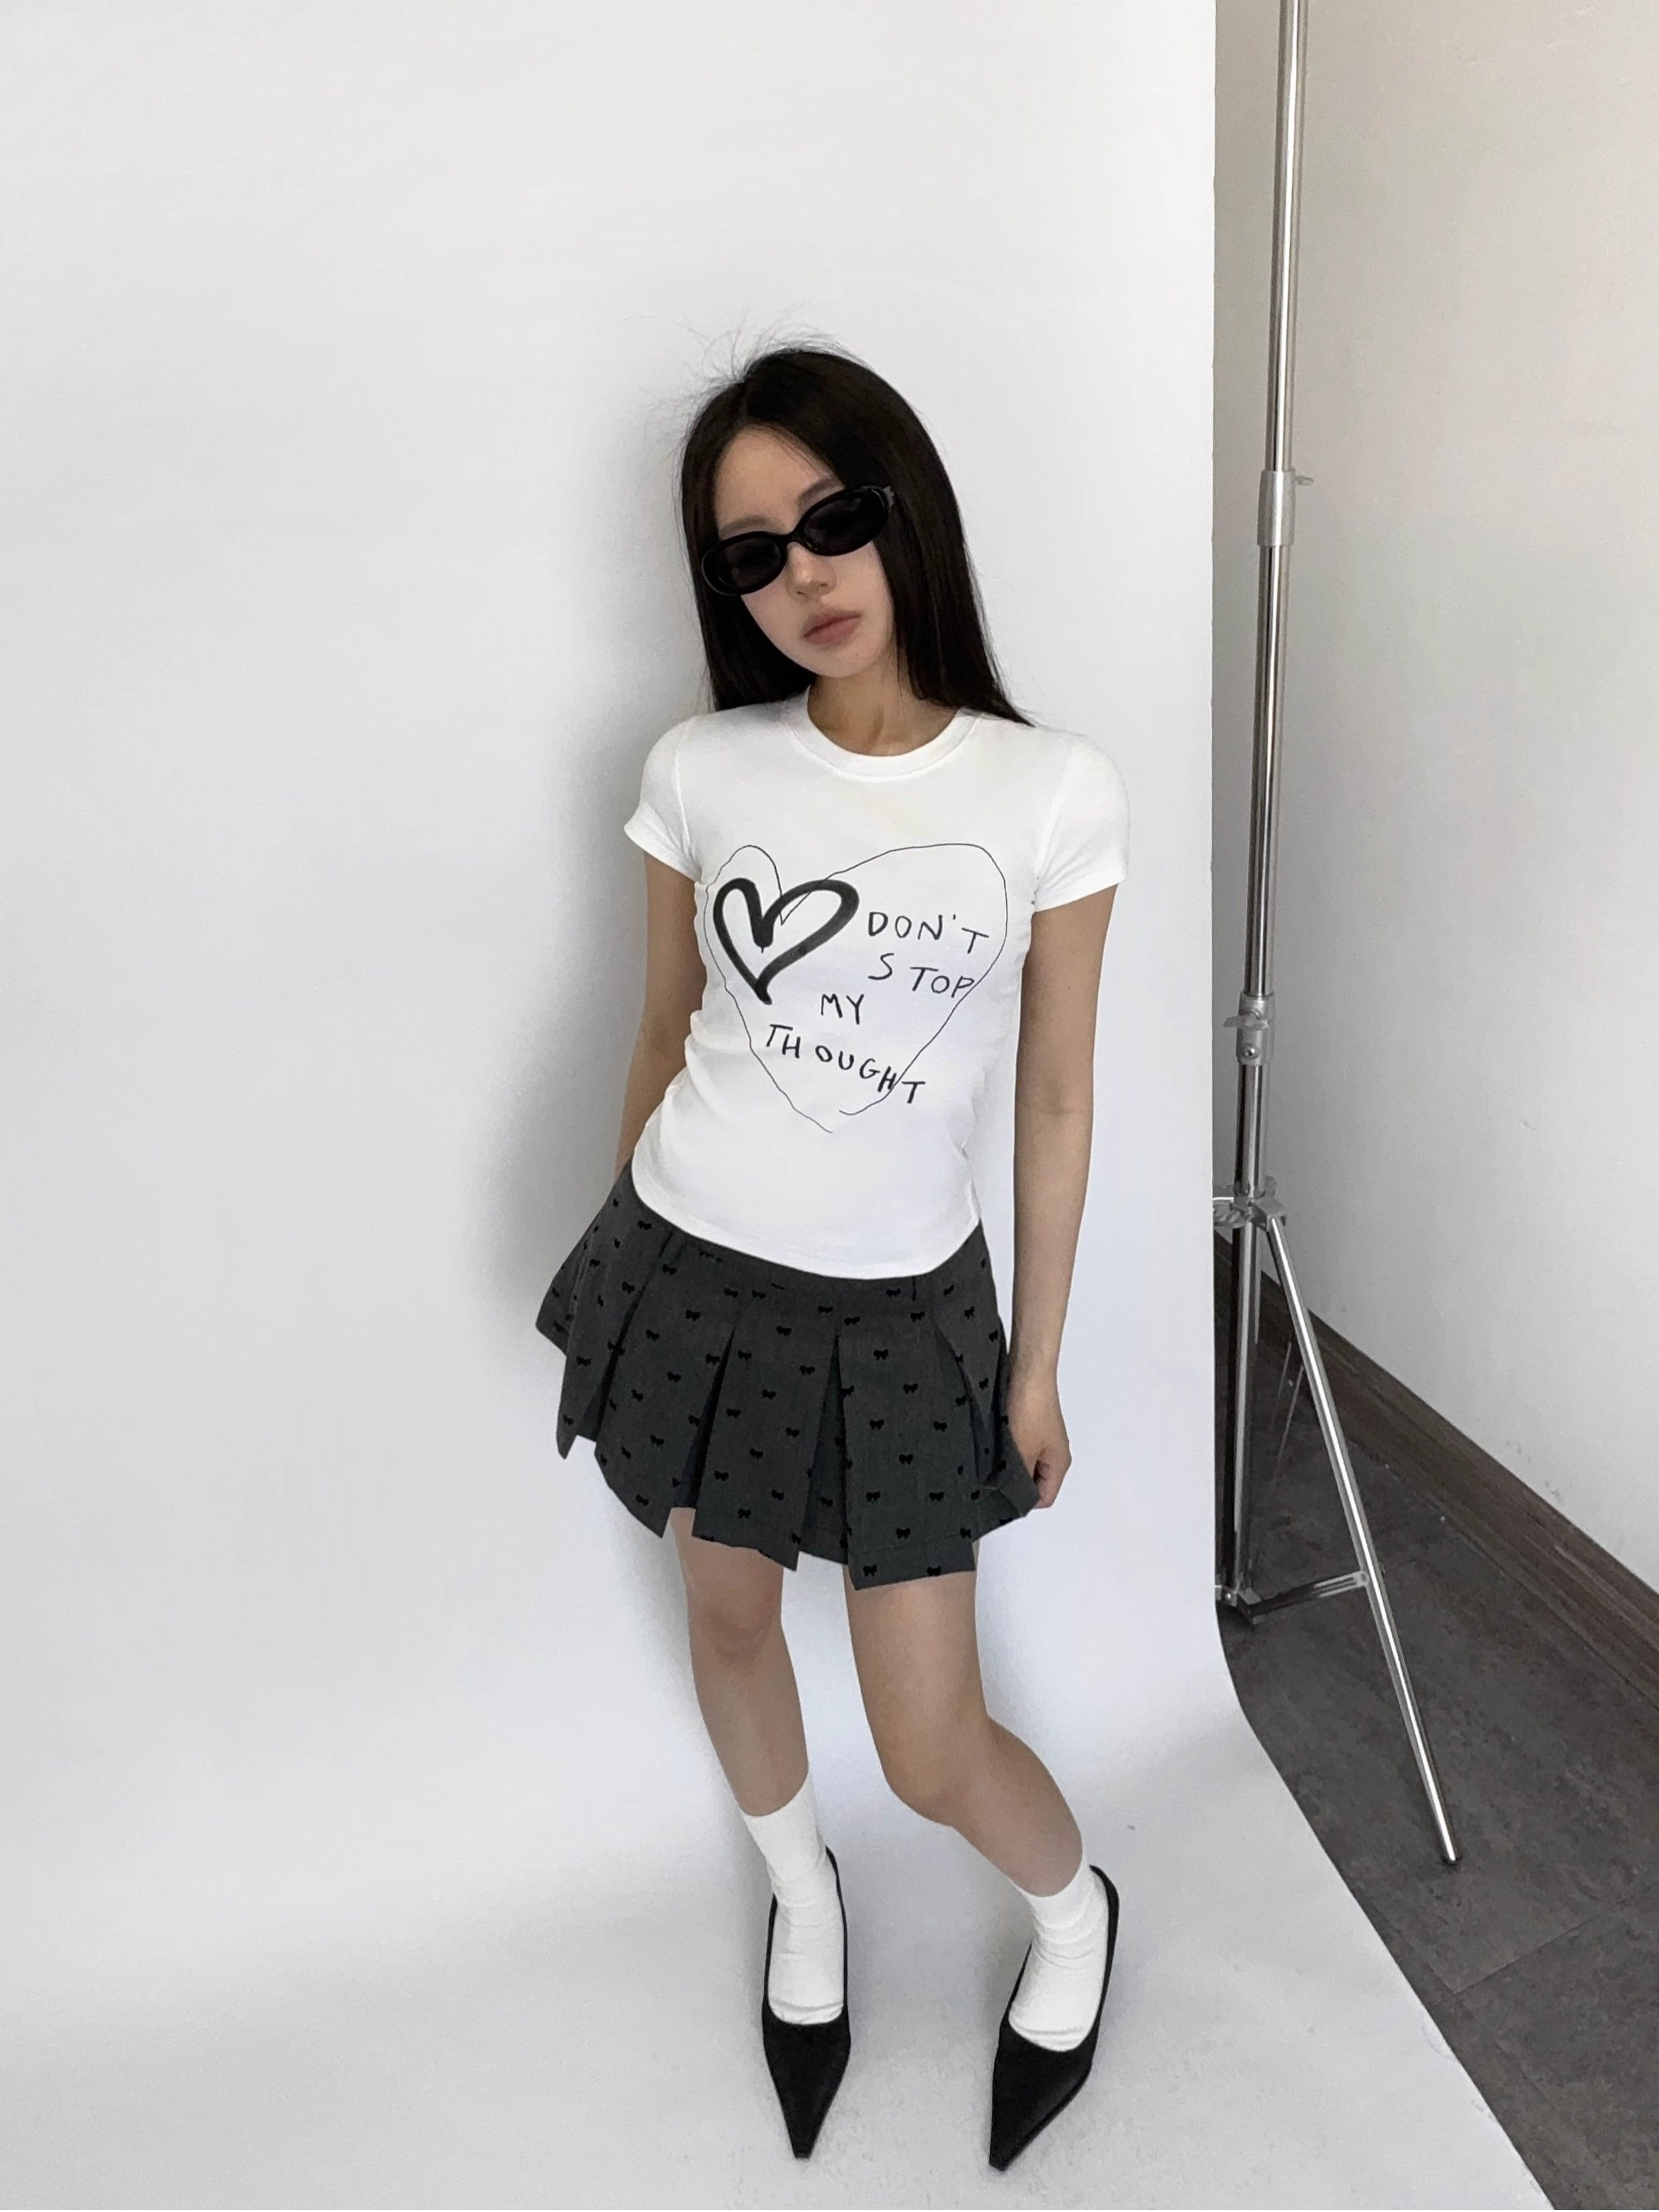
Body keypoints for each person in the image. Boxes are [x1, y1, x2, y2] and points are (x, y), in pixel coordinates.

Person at [536, 342, 1128, 2172]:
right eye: (751, 553)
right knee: (725, 1617)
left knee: (932, 1746)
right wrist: (637, 1266)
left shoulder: (1050, 790)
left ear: (903, 510)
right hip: (685, 1275)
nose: (803, 573)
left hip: (901, 1321)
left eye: (833, 518)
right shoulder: (697, 766)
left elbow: (1051, 1100)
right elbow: (661, 1029)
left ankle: (1073, 1913)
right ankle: (802, 1895)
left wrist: (1035, 1363)